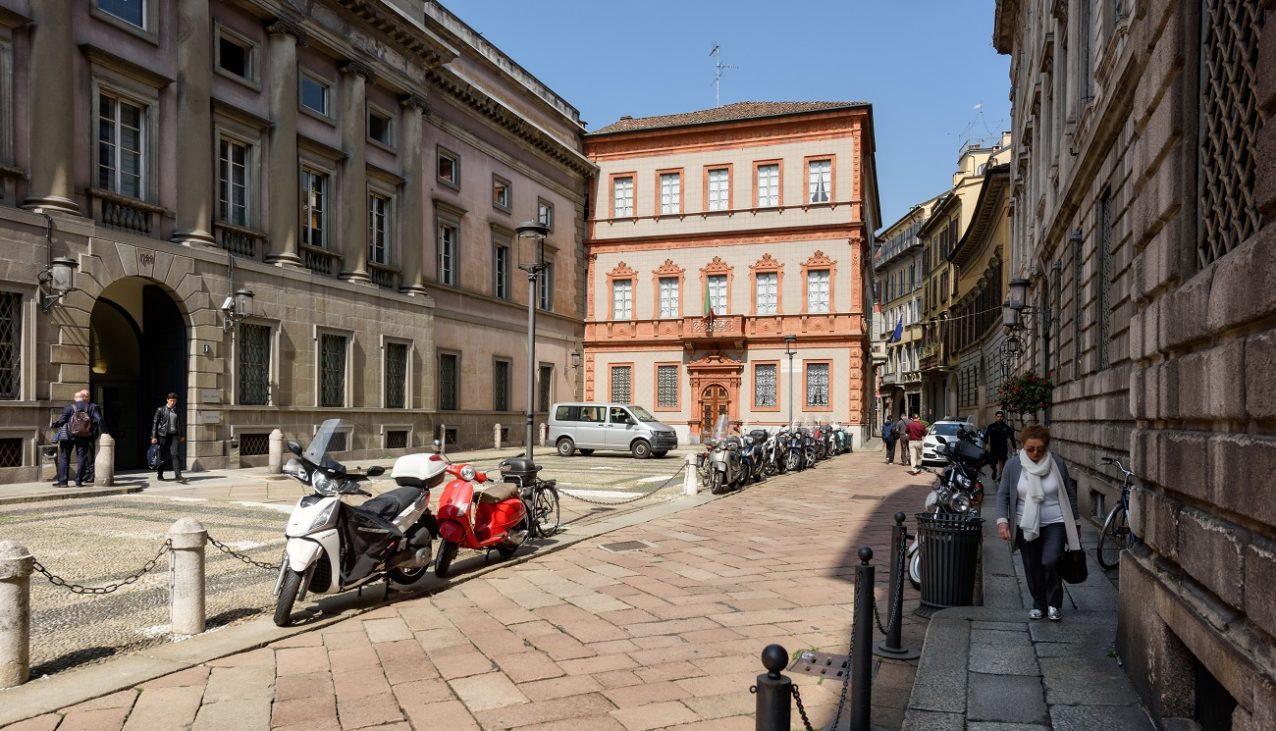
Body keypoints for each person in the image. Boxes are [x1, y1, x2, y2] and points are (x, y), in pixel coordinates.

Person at [995, 424, 1080, 622]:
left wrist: (1075, 524)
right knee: (1032, 565)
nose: (1035, 453)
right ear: (1023, 446)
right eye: (1030, 449)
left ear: (1046, 446)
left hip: (1055, 521)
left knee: (1050, 561)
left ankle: (1054, 604)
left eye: (1040, 449)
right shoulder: (1013, 465)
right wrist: (1002, 522)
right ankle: (1039, 604)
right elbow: (1003, 495)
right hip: (1025, 523)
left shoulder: (1056, 463)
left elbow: (1070, 494)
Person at [50, 389, 103, 487]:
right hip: (84, 436)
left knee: (65, 458)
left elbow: (62, 421)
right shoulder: (92, 407)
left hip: (68, 436)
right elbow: (99, 419)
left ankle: (63, 482)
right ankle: (78, 481)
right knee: (82, 458)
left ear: (75, 399)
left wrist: (57, 424)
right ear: (83, 397)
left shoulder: (69, 408)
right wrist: (102, 431)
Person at [151, 393, 186, 483]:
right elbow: (155, 423)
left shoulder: (178, 410)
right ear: (167, 400)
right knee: (161, 455)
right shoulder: (160, 409)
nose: (172, 402)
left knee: (175, 454)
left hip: (174, 435)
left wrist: (182, 435)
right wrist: (154, 436)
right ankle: (160, 474)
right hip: (162, 435)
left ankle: (178, 475)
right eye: (171, 400)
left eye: (174, 401)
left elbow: (180, 424)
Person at [984, 410, 1018, 480]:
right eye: (998, 416)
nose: (999, 418)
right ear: (995, 417)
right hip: (993, 448)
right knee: (992, 464)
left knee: (1002, 461)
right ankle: (994, 470)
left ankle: (1001, 476)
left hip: (1003, 447)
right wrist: (986, 443)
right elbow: (986, 435)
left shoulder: (1007, 428)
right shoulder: (991, 426)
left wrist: (1014, 447)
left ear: (1003, 418)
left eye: (1001, 416)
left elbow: (1012, 437)